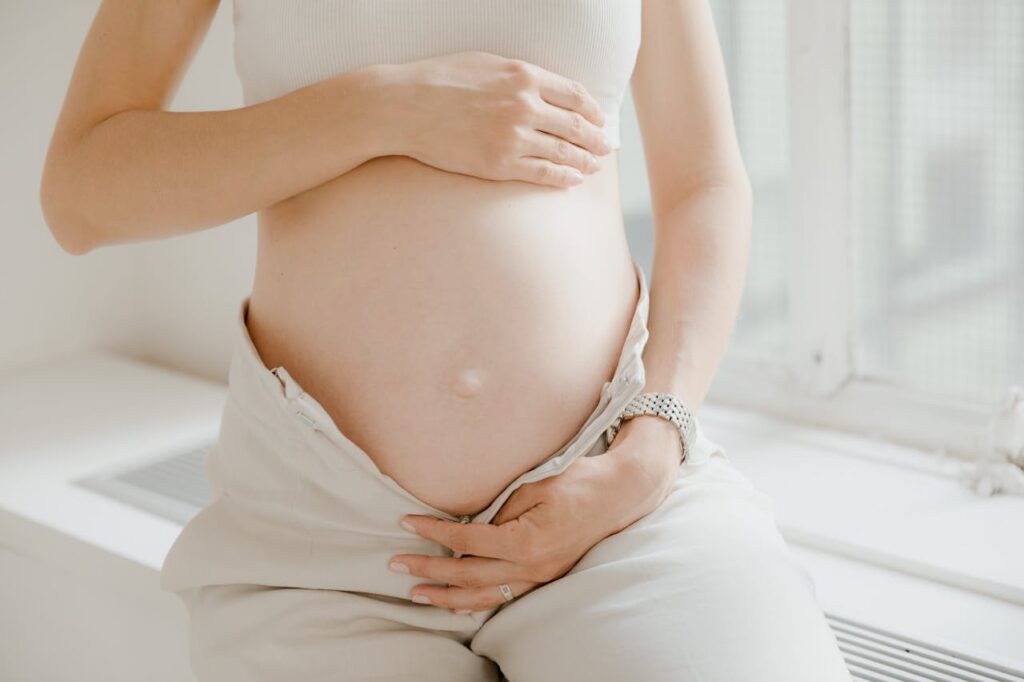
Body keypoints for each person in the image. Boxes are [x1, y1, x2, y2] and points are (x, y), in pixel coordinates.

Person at [41, 0, 853, 680]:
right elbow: (83, 190)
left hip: (611, 499)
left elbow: (706, 182)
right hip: (318, 543)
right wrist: (383, 107)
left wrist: (651, 448)